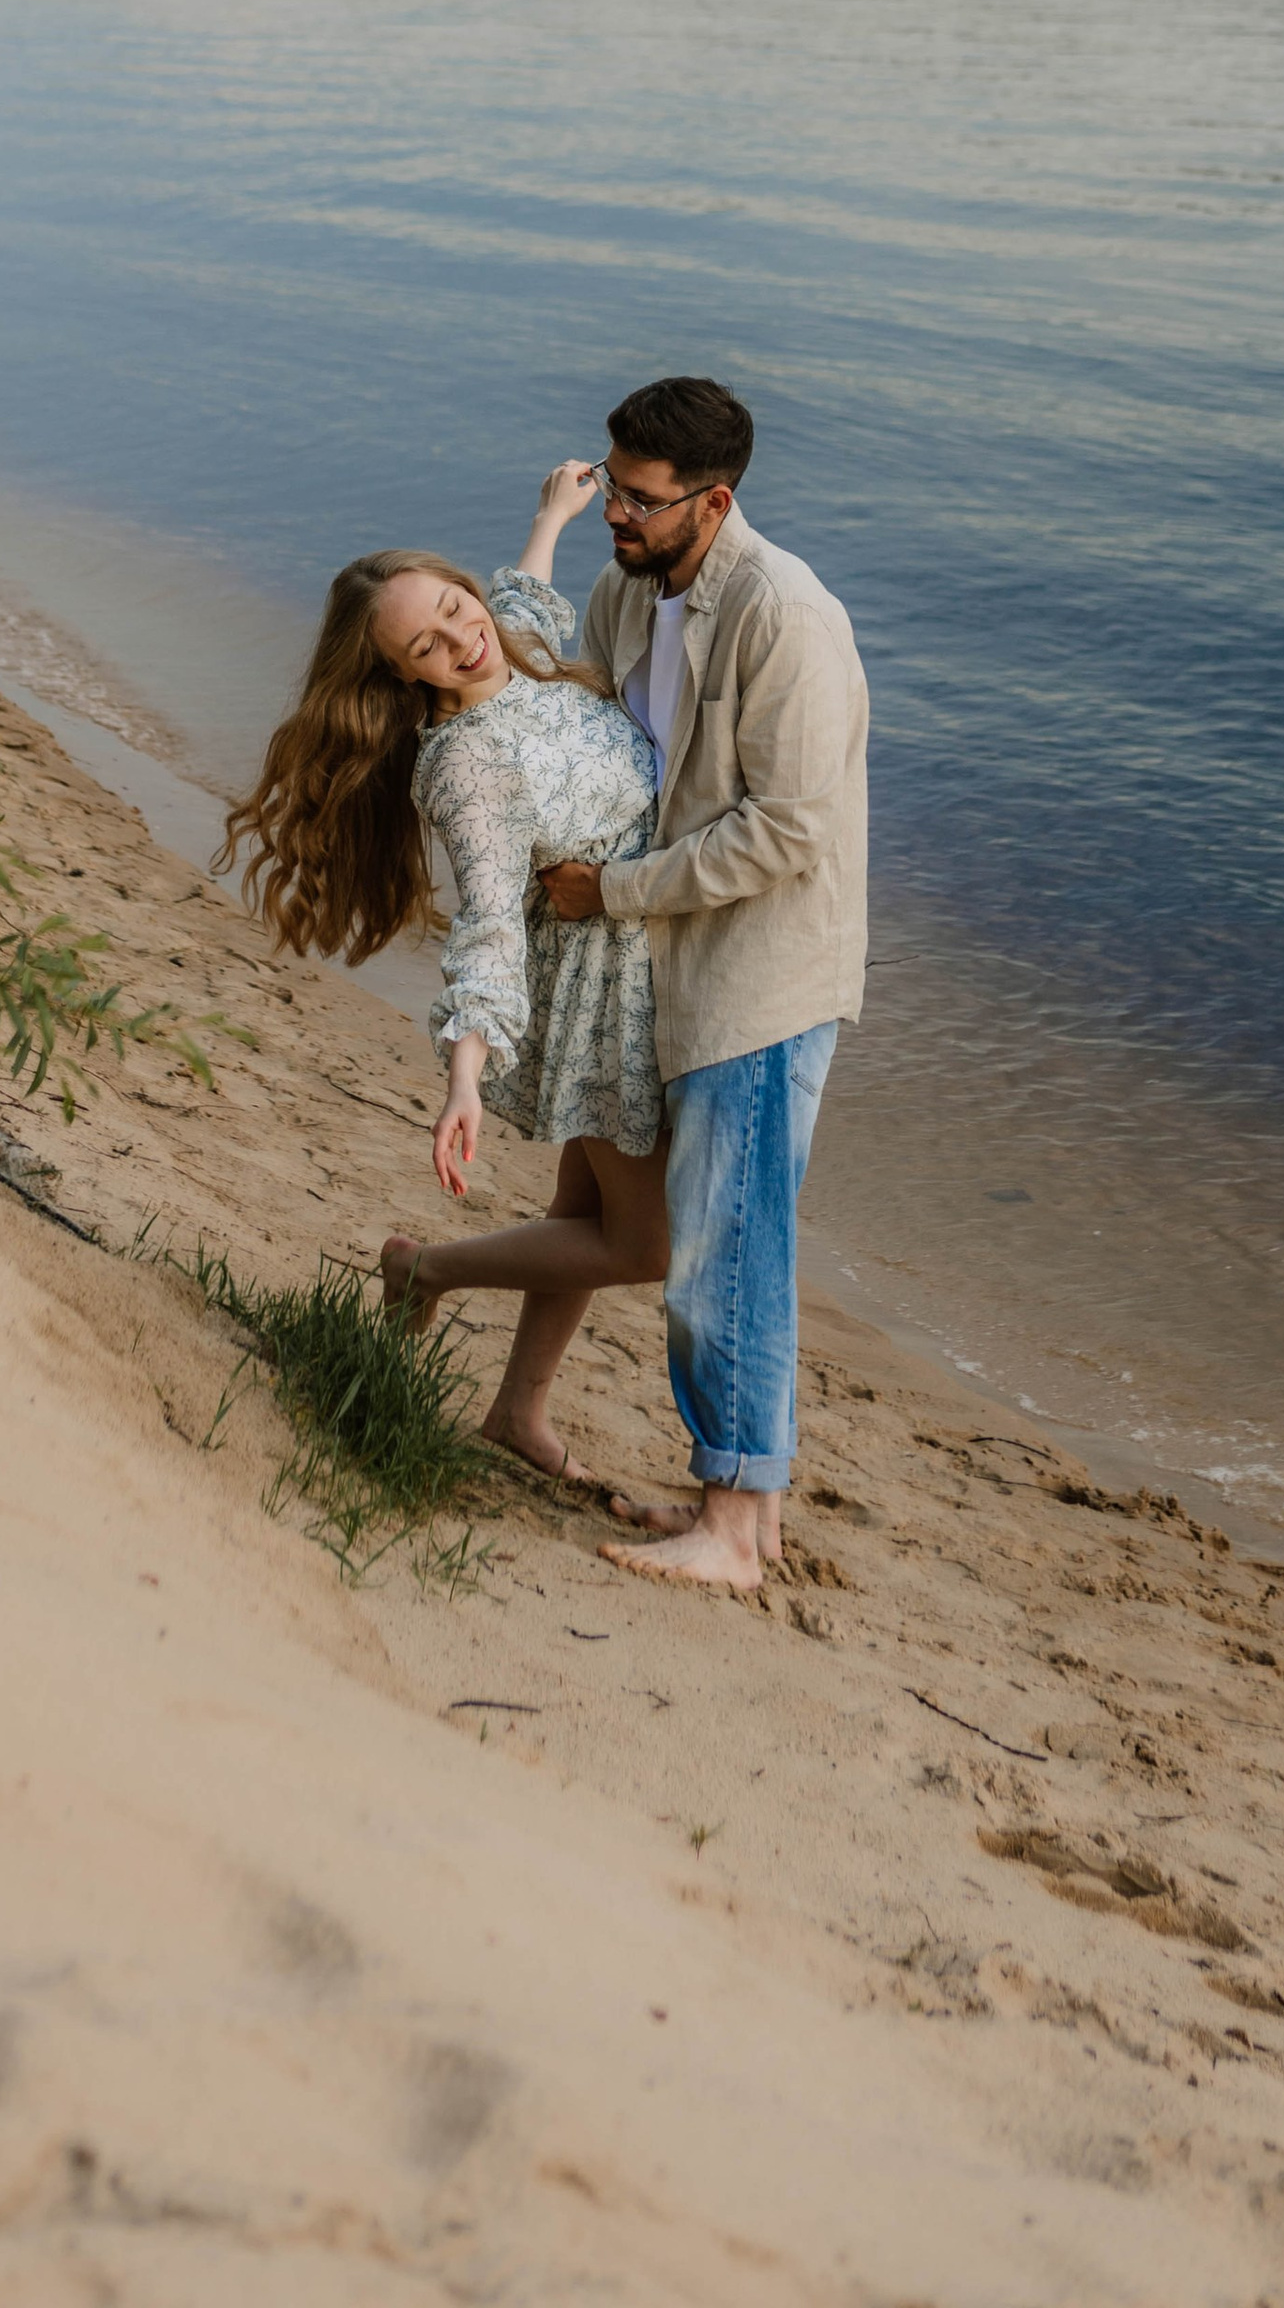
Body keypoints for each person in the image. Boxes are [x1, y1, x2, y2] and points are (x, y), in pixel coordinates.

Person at [219, 464, 665, 1481]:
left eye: (453, 608)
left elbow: (520, 591)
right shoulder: (465, 764)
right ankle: (425, 1269)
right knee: (645, 1244)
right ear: (401, 672)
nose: (461, 639)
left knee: (583, 1220)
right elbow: (488, 930)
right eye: (427, 643)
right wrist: (463, 1075)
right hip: (596, 996)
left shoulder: (514, 642)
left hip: (649, 958)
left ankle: (515, 1410)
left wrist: (555, 511)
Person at [537, 375, 868, 1594]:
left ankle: (736, 1527)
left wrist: (612, 895)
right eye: (612, 484)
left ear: (712, 500)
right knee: (711, 1247)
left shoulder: (785, 616)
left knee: (728, 1250)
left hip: (762, 972)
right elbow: (576, 723)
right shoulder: (626, 588)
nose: (617, 510)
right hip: (668, 963)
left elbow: (786, 830)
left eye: (640, 497)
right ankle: (738, 1500)